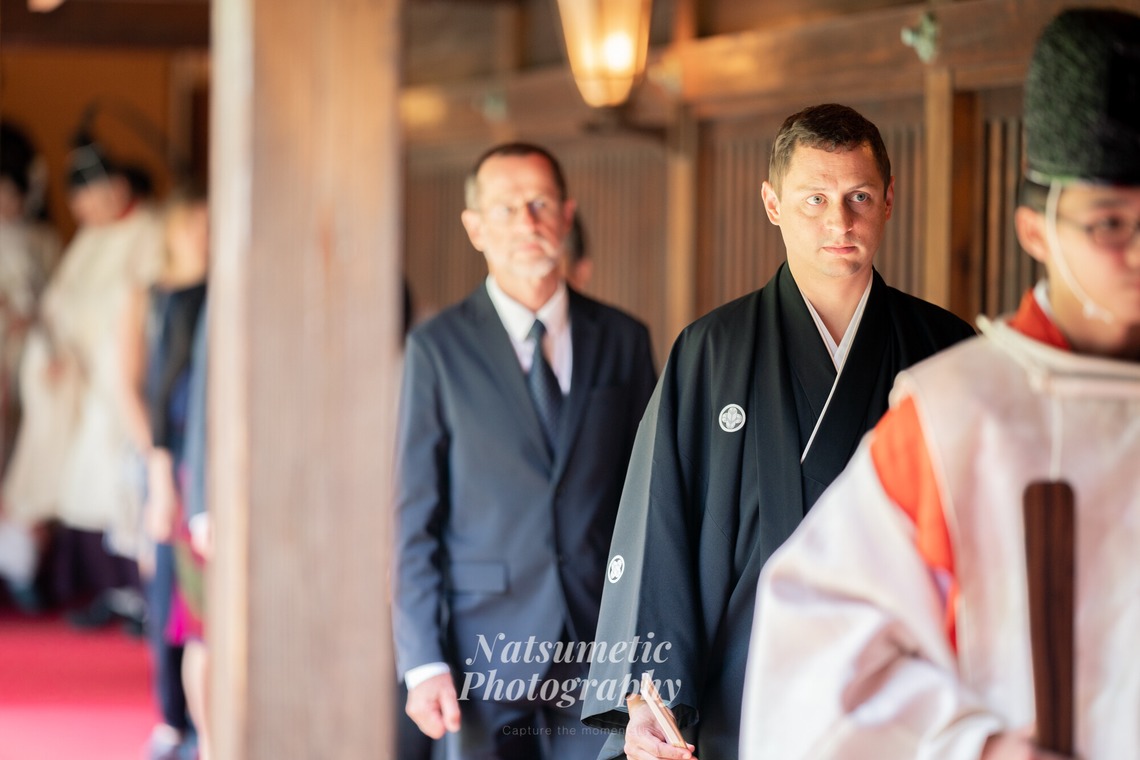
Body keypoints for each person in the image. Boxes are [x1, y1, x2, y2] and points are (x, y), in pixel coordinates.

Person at [741, 10, 1140, 760]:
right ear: (1037, 231)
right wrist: (975, 747)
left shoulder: (933, 340)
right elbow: (815, 655)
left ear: (888, 199)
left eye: (858, 197)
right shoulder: (958, 410)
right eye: (1111, 224)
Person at [581, 103, 976, 760]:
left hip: (904, 695)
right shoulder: (711, 352)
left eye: (858, 197)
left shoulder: (946, 349)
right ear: (772, 202)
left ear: (888, 200)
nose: (839, 221)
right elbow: (660, 530)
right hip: (746, 694)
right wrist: (649, 697)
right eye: (813, 198)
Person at [393, 142, 657, 760]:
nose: (527, 224)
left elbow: (650, 504)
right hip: (479, 650)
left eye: (539, 204)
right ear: (475, 228)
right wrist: (421, 660)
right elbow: (413, 518)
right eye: (506, 209)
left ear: (566, 216)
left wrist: (650, 648)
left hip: (598, 644)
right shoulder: (436, 349)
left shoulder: (624, 339)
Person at [2, 134, 163, 617]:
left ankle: (142, 595)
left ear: (112, 190)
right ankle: (111, 590)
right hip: (83, 378)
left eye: (90, 201)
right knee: (86, 484)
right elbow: (59, 306)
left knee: (124, 481)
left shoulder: (149, 231)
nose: (85, 214)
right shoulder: (92, 238)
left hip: (125, 376)